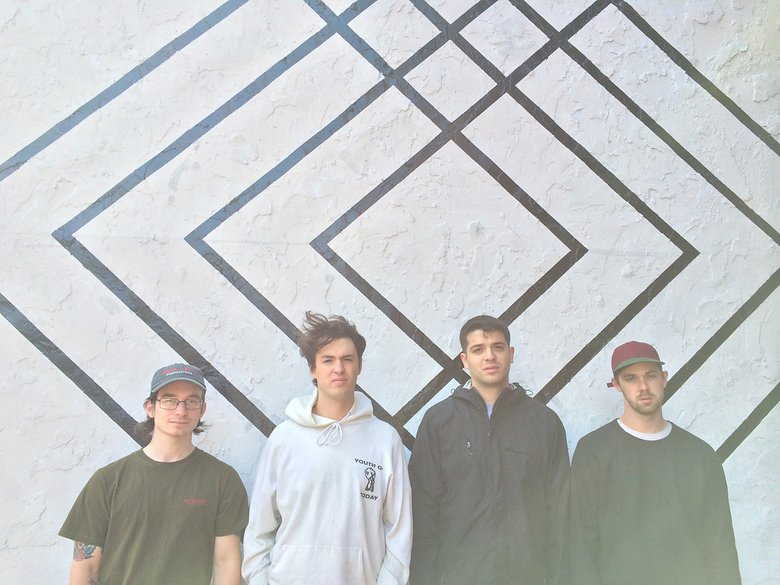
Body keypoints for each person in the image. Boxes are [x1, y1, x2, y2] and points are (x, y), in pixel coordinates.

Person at [242, 311, 412, 585]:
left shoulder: (385, 439)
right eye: (328, 360)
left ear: (359, 366)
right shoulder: (284, 438)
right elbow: (259, 530)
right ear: (313, 369)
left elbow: (399, 531)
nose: (338, 368)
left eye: (347, 359)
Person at [408, 315, 570, 585]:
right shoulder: (439, 421)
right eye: (478, 349)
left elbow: (560, 511)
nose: (489, 356)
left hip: (527, 576)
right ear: (464, 360)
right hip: (459, 576)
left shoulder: (544, 422)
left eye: (498, 347)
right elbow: (423, 510)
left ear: (511, 354)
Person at [568, 341, 742, 585]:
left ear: (664, 378)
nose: (643, 387)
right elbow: (580, 545)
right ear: (616, 384)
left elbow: (720, 545)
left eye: (650, 375)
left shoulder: (699, 455)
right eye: (631, 378)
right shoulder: (593, 451)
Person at [59, 363, 249, 585]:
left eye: (191, 401)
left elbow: (225, 562)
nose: (181, 411)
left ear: (202, 409)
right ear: (150, 408)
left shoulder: (222, 479)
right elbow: (86, 567)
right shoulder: (108, 480)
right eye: (169, 400)